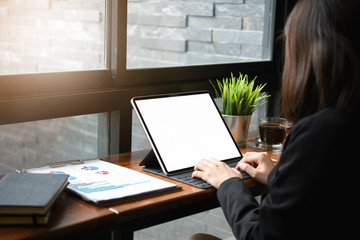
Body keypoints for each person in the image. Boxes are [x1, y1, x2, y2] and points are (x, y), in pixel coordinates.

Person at [190, 0, 360, 239]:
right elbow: (332, 194)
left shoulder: (321, 132)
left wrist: (229, 183)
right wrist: (278, 176)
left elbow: (261, 236)